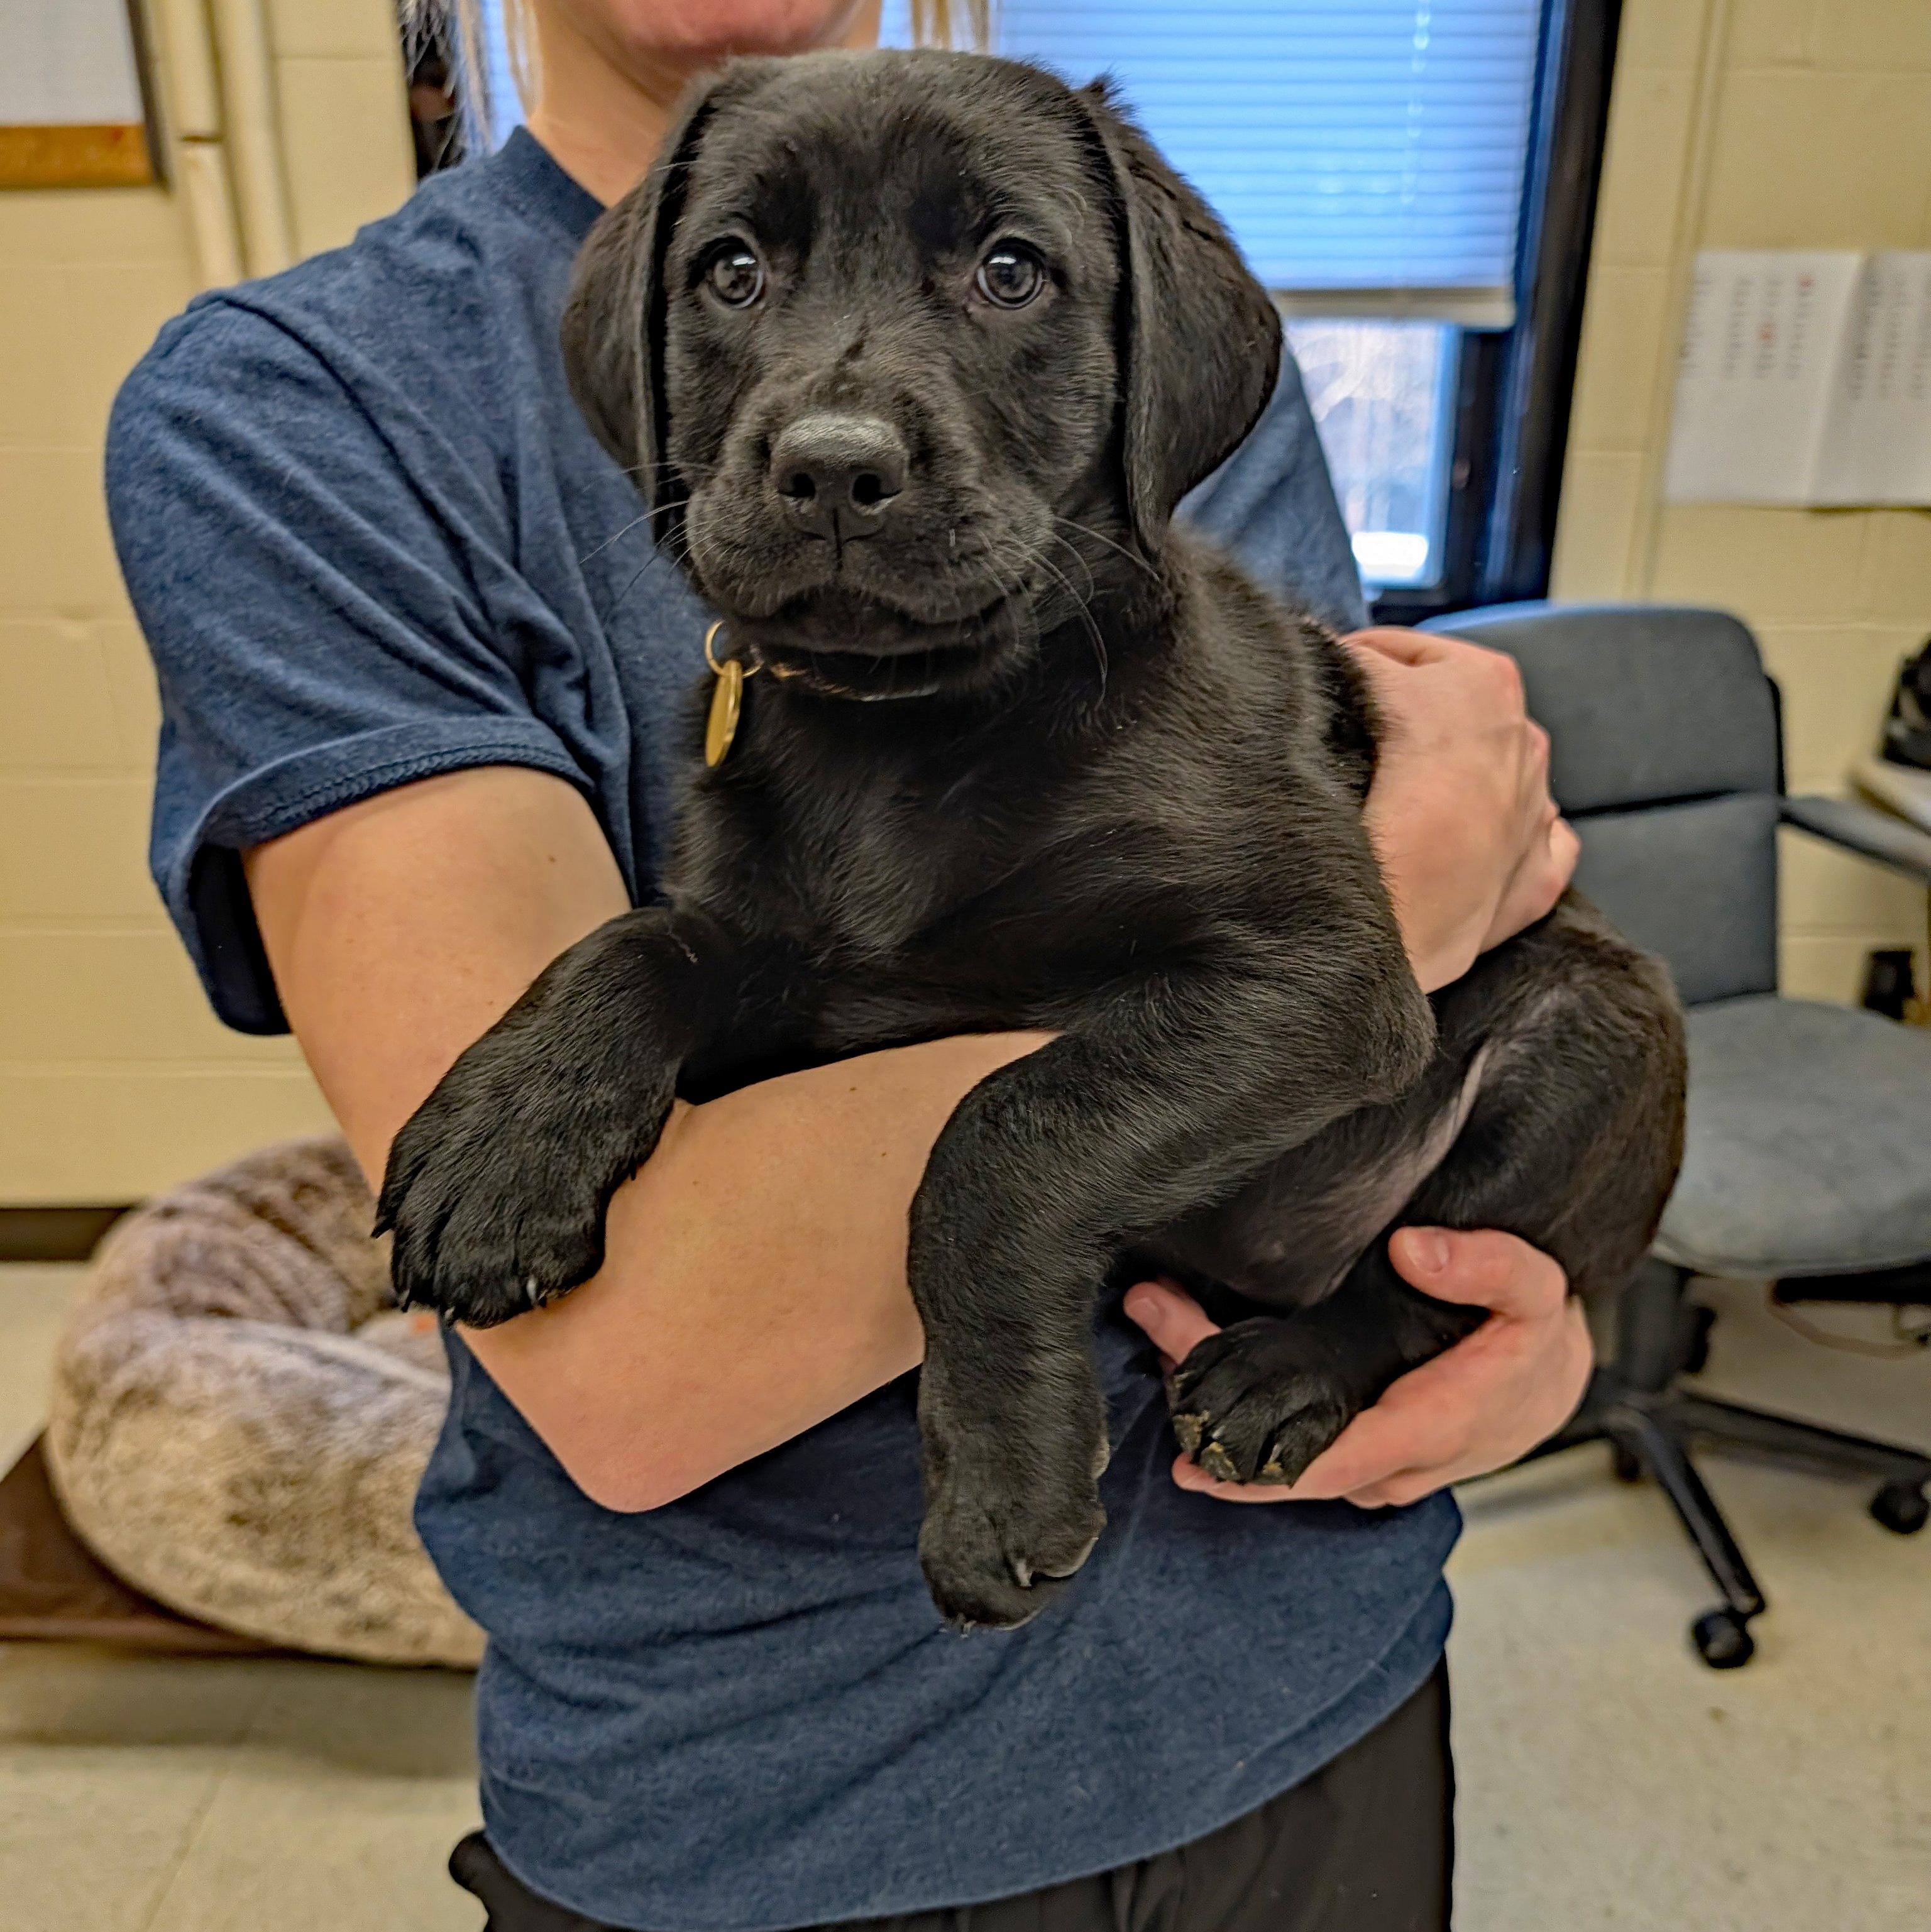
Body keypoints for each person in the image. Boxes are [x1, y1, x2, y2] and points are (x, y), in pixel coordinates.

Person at [106, 3, 1587, 1927]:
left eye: (1002, 274)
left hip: (1309, 1663)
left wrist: (1519, 1324)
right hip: (769, 1805)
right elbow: (632, 1361)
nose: (835, 416)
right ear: (642, 356)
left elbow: (1405, 996)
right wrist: (1396, 903)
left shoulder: (1149, 279)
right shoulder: (304, 404)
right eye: (738, 273)